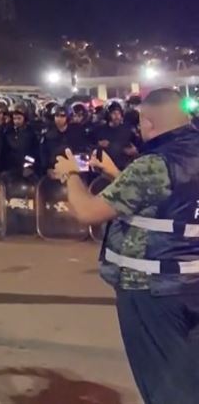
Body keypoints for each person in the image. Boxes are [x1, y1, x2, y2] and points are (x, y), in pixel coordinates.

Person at [50, 88, 199, 404]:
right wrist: (119, 176)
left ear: (148, 121)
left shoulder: (156, 163)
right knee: (190, 374)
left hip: (152, 289)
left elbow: (86, 212)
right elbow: (171, 200)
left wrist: (70, 175)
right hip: (191, 283)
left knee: (165, 386)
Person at [41, 104, 90, 171]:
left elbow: (83, 151)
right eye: (57, 116)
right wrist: (47, 169)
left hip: (75, 169)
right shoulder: (48, 134)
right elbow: (44, 154)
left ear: (68, 117)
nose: (59, 118)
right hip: (55, 170)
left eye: (62, 116)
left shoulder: (77, 131)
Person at [93, 103, 138, 171]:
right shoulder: (100, 130)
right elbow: (93, 146)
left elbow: (137, 145)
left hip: (125, 167)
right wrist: (98, 145)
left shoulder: (127, 129)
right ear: (108, 115)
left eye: (118, 113)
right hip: (106, 167)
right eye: (114, 113)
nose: (117, 116)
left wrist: (134, 150)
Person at [0, 106, 39, 176]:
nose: (17, 121)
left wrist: (29, 167)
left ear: (24, 118)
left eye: (19, 118)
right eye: (14, 118)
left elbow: (34, 152)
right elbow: (4, 151)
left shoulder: (31, 133)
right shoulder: (8, 132)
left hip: (26, 170)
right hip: (10, 168)